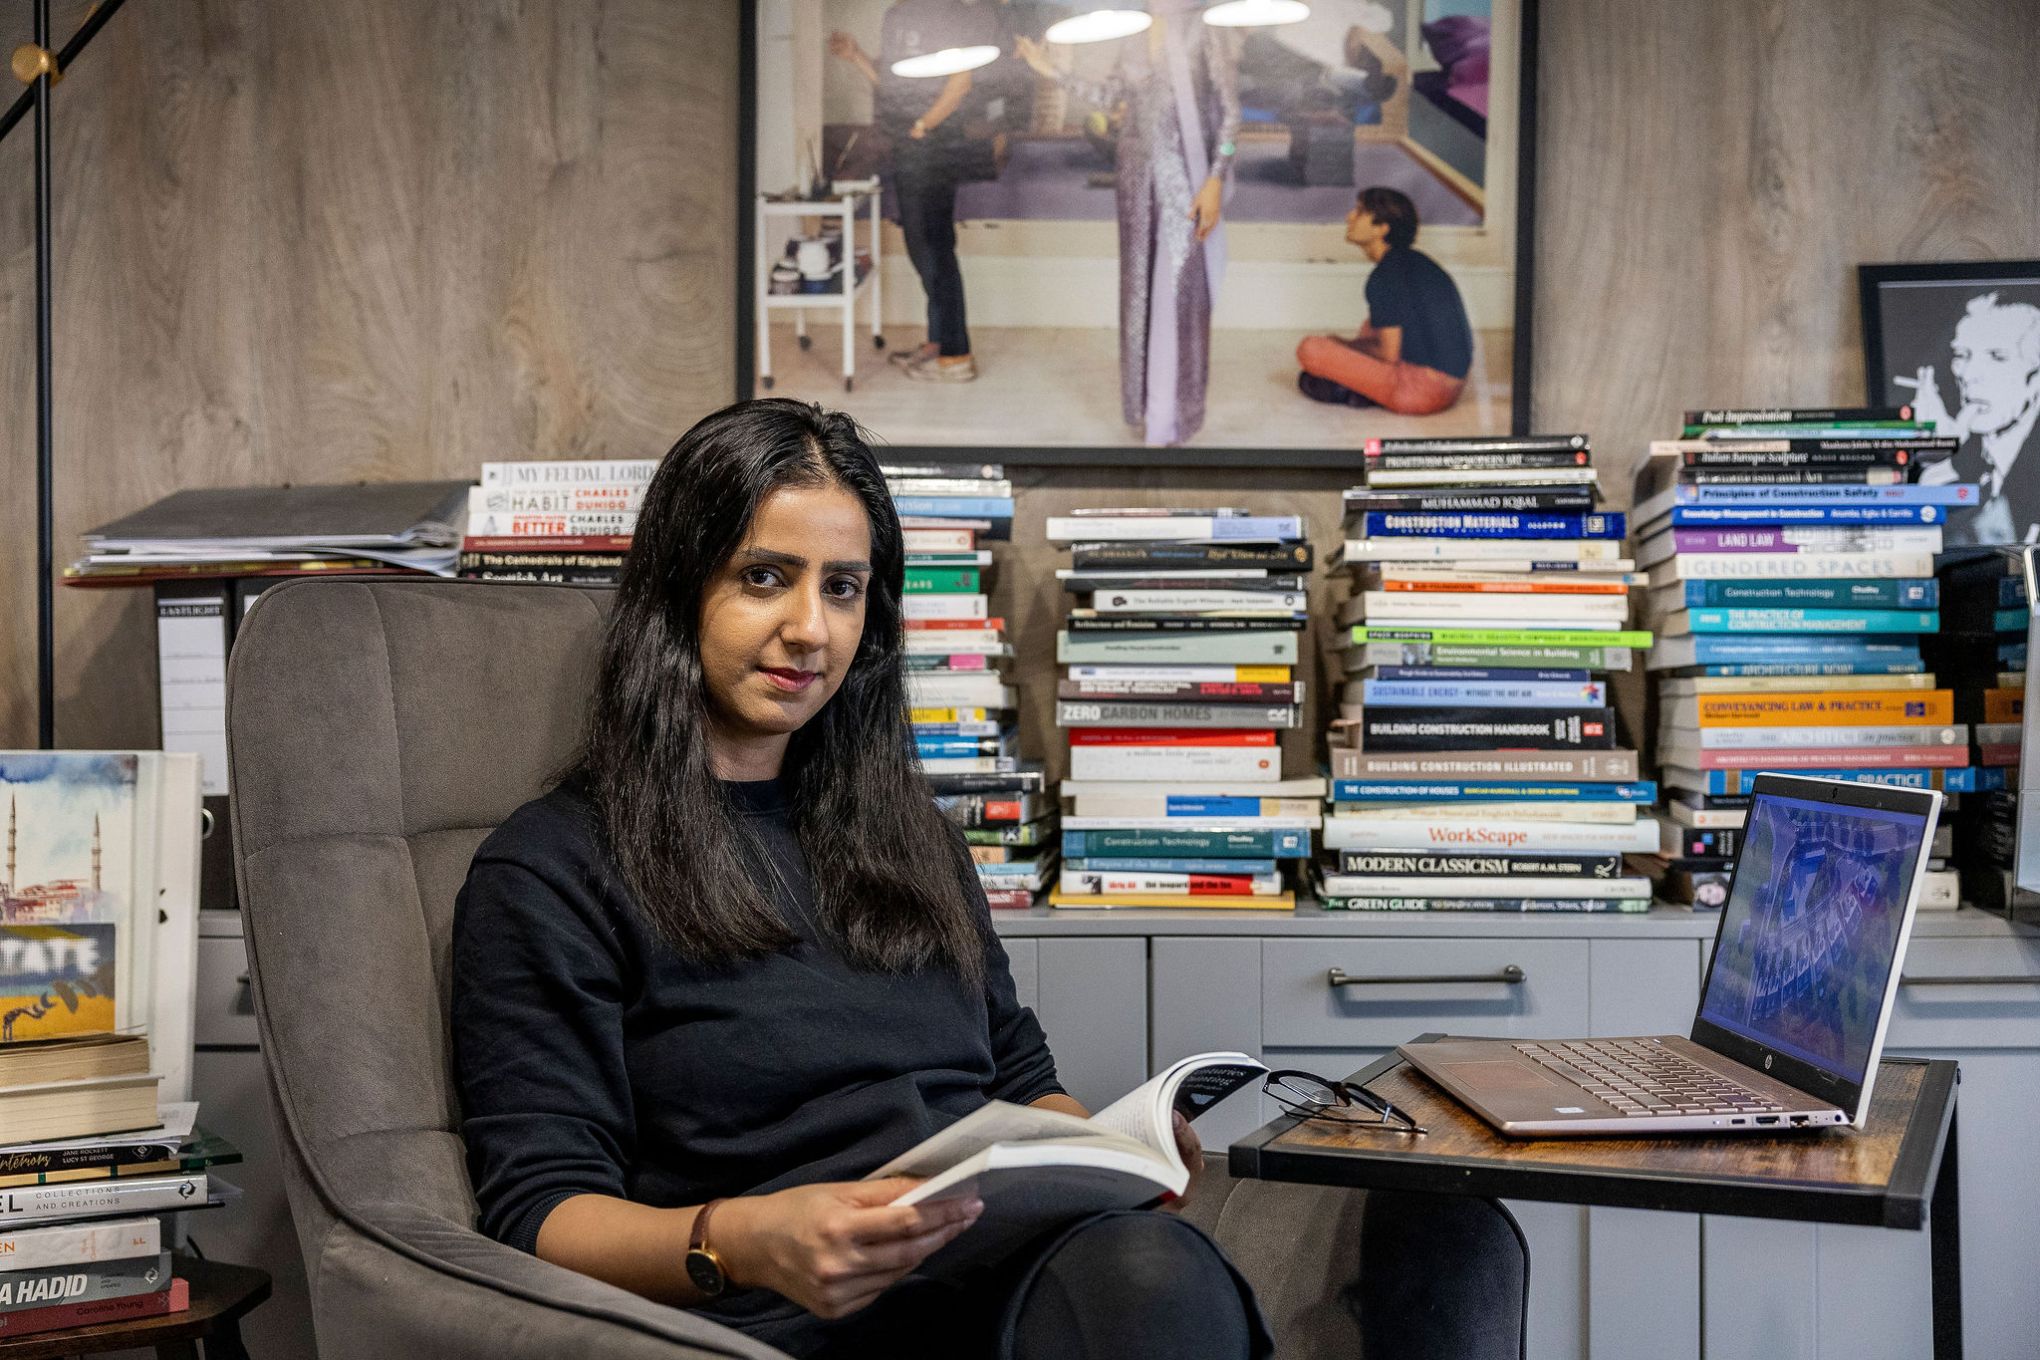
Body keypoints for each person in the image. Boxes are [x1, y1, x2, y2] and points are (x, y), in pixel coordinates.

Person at [450, 399, 1270, 1359]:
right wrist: (742, 1240)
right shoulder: (551, 870)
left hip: (999, 1263)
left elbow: (1019, 1079)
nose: (811, 629)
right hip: (790, 1306)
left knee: (1152, 1266)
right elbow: (540, 1209)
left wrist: (1110, 1158)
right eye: (764, 577)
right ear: (677, 588)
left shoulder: (907, 833)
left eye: (842, 588)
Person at [1017, 2, 1241, 446]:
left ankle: (1174, 416)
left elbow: (1231, 114)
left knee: (1178, 296)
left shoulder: (1203, 29)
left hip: (1187, 184)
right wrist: (1049, 69)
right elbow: (1112, 98)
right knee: (1138, 294)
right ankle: (1146, 408)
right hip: (1136, 182)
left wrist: (1215, 179)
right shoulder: (1134, 32)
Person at [831, 2, 981, 382]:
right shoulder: (895, 16)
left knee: (934, 248)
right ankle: (938, 343)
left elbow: (961, 82)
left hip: (933, 146)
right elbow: (892, 88)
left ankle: (956, 355)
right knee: (921, 247)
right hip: (908, 146)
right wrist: (857, 56)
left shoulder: (949, 12)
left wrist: (923, 125)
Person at [1296, 185, 1472, 415]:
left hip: (1420, 389)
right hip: (1454, 385)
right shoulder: (1417, 262)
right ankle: (1354, 389)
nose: (1350, 216)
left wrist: (1343, 345)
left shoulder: (1384, 276)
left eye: (1360, 212)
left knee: (1310, 349)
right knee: (1370, 326)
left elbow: (1389, 355)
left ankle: (1354, 389)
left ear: (1381, 228)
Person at [1906, 291, 2040, 545]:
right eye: (1962, 355)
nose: (1968, 374)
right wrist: (1937, 456)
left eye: (1997, 356)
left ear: (2035, 379)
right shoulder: (1960, 454)